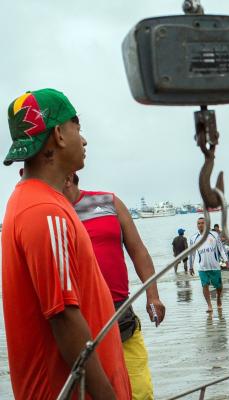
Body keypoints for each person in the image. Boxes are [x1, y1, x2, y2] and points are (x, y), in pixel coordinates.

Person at [1, 89, 131, 399]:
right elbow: (64, 316)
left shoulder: (26, 203)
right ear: (59, 134)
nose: (83, 140)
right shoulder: (46, 212)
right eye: (77, 127)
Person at [63, 173, 166, 400]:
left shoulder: (108, 202)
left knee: (141, 391)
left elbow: (138, 250)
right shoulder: (51, 212)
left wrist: (153, 296)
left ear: (69, 176)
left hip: (120, 314)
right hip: (78, 317)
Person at [189, 216, 229, 312]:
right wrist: (190, 267)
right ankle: (209, 305)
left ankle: (219, 299)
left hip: (215, 266)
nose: (200, 225)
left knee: (219, 286)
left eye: (202, 223)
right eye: (198, 223)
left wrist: (226, 260)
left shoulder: (214, 235)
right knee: (205, 285)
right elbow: (192, 253)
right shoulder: (194, 238)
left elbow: (221, 248)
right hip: (202, 267)